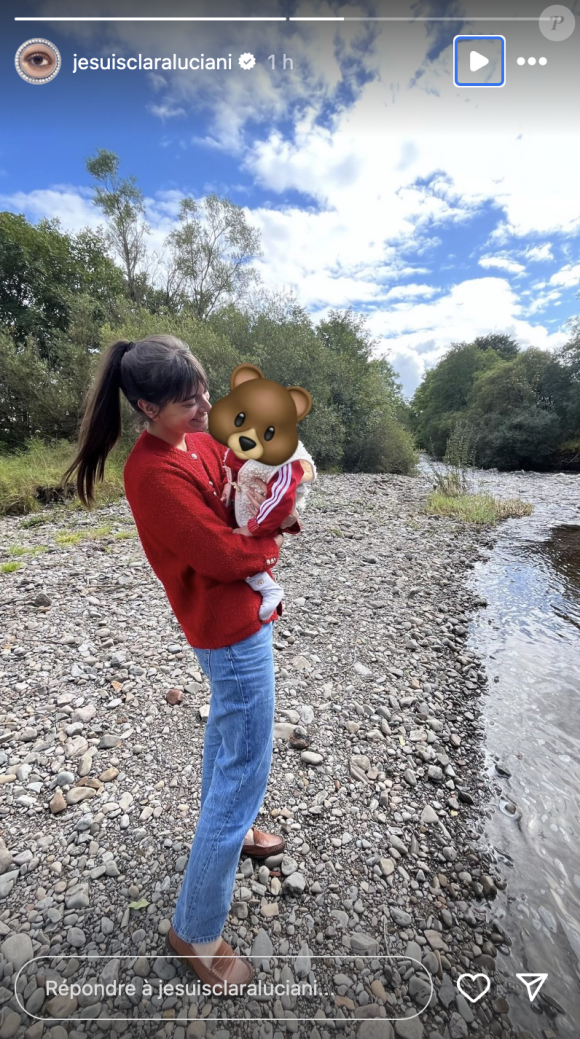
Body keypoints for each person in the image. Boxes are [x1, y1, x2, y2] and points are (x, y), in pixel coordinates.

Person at [63, 334, 286, 995]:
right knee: (244, 765)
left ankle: (240, 830)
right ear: (145, 406)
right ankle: (194, 930)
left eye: (205, 393)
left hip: (237, 621)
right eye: (189, 402)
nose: (205, 407)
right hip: (226, 630)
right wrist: (270, 542)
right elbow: (221, 554)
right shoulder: (152, 473)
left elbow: (238, 467)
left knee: (229, 735)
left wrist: (277, 473)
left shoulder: (195, 436)